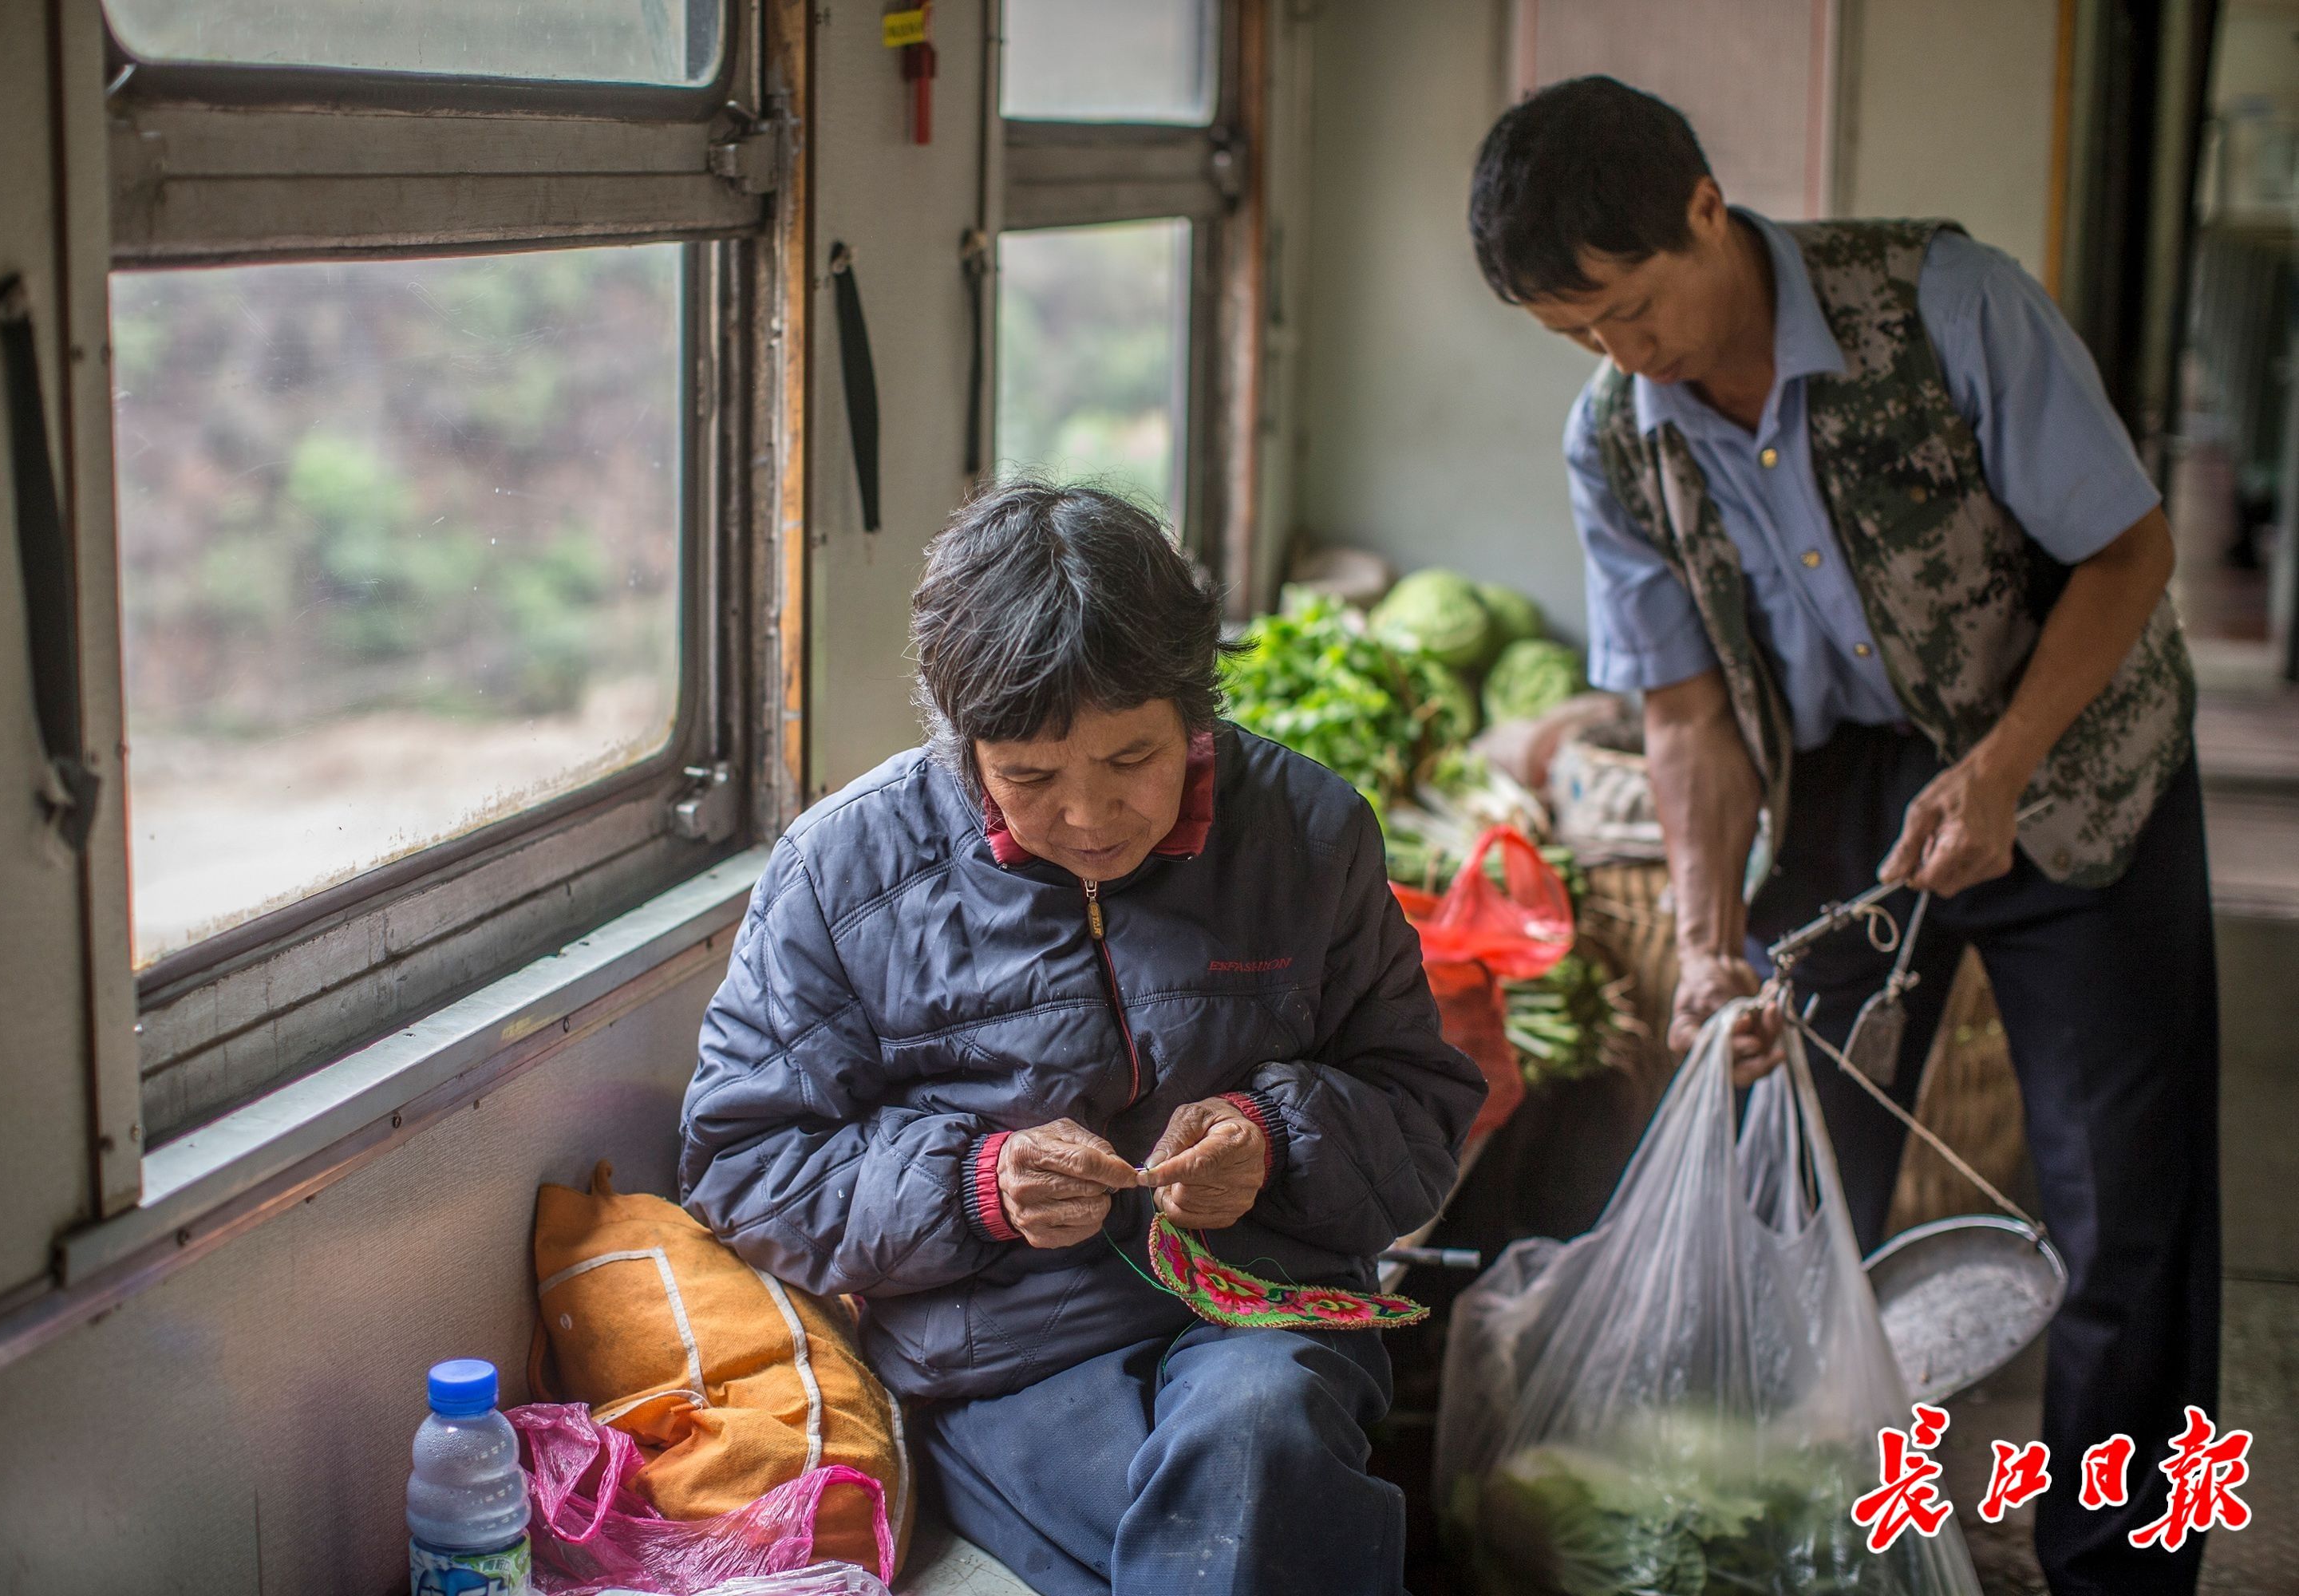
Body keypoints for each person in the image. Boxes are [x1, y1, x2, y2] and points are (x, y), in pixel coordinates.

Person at [1467, 77, 2219, 1596]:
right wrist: (1697, 942)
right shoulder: (1619, 435)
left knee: (2123, 1214)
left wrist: (2004, 766)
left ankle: (2120, 1574)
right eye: (1576, 335)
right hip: (1838, 786)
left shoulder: (1947, 305)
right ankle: (1801, 1548)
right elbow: (1683, 716)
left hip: (2069, 756)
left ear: (1702, 209)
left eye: (1626, 308)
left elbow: (2131, 549)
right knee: (1787, 1190)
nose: (1622, 356)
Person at [677, 482, 1484, 1596]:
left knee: (1261, 1434)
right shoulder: (842, 872)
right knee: (1218, 1549)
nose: (1090, 818)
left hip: (1261, 1313)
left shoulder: (1307, 830)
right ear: (965, 743)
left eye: (1131, 761)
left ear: (1193, 711)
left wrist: (1277, 1138)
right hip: (1007, 1355)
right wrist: (974, 1185)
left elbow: (1422, 1108)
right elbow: (743, 1165)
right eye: (1030, 777)